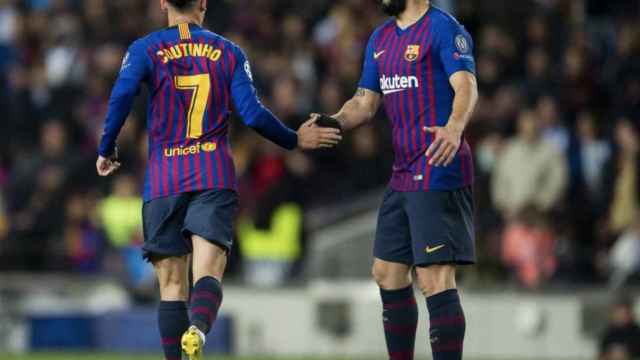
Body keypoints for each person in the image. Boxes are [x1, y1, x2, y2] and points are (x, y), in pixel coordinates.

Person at [95, 1, 342, 359]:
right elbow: (253, 114)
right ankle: (198, 328)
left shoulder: (144, 48)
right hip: (212, 172)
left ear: (163, 2)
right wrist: (293, 138)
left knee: (171, 285)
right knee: (208, 270)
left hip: (165, 176)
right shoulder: (229, 52)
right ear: (203, 4)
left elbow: (121, 97)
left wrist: (107, 147)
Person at [309, 0, 478, 359]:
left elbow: (466, 86)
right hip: (403, 172)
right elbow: (365, 102)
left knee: (434, 278)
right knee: (386, 271)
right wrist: (334, 120)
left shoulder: (443, 29)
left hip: (438, 164)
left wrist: (454, 127)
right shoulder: (380, 38)